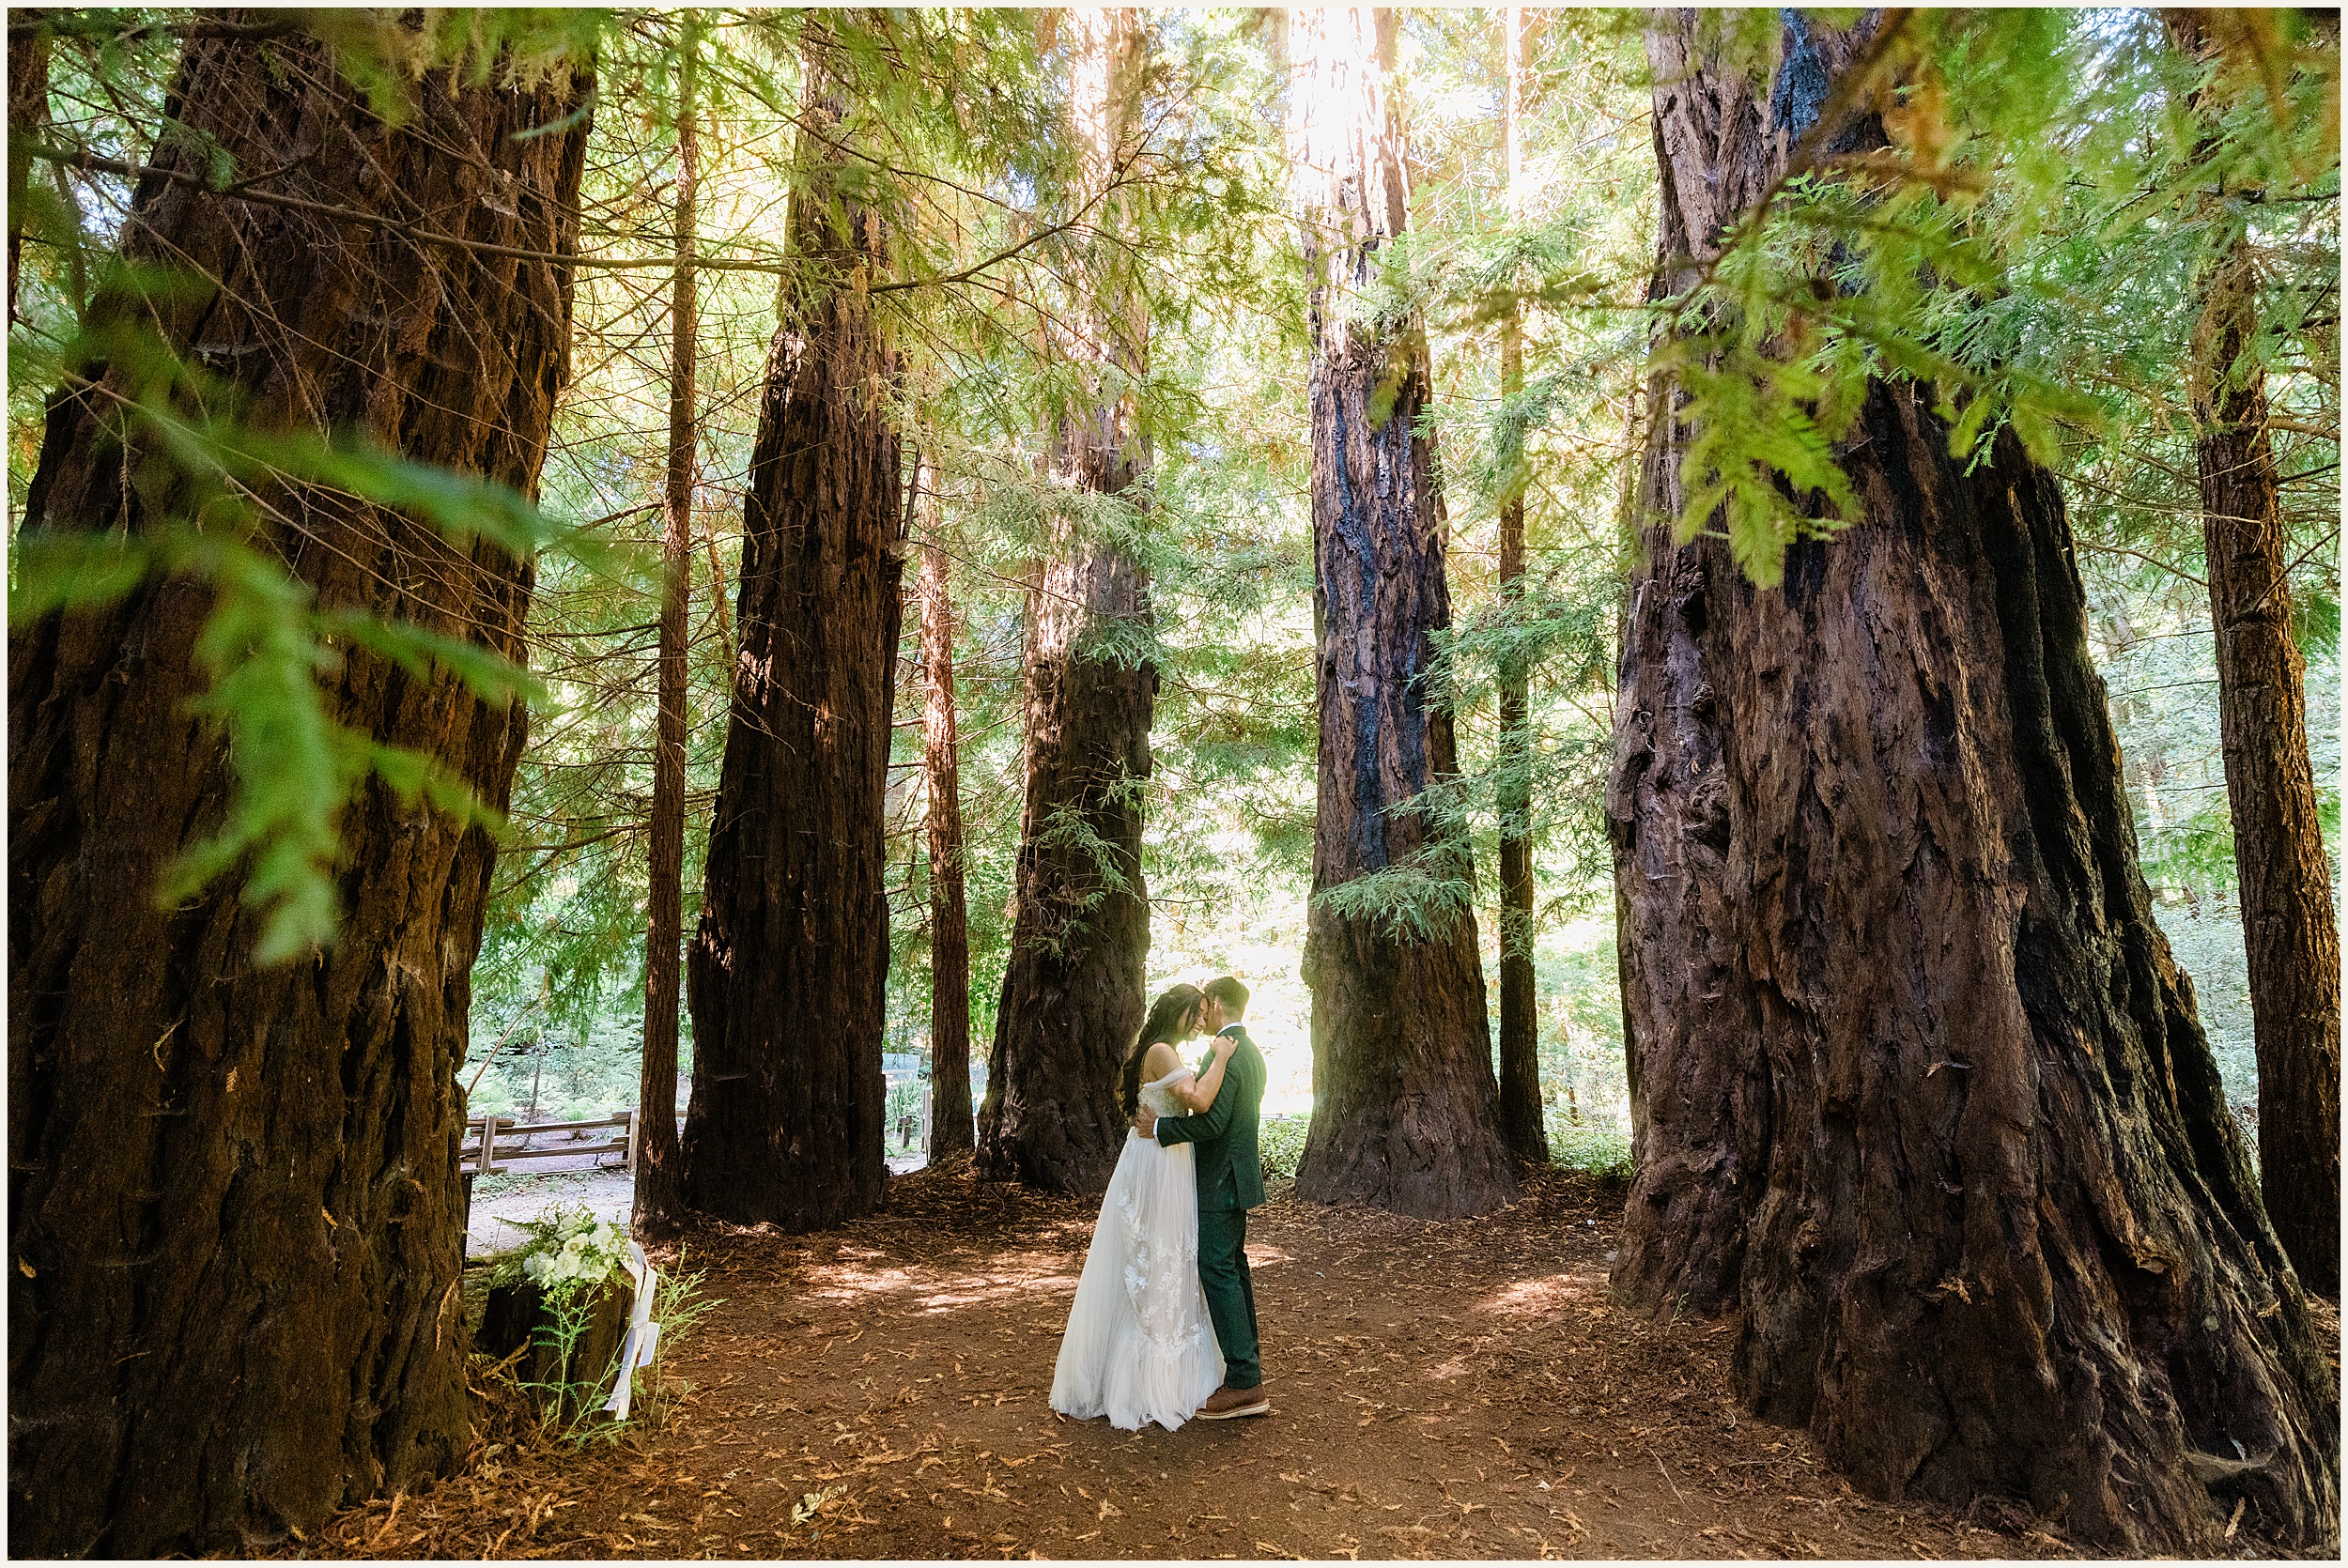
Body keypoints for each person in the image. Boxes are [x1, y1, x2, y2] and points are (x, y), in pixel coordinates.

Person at [1047, 984, 1243, 1431]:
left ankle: (1167, 1366)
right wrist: (1223, 1058)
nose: (1200, 1020)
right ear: (1179, 1012)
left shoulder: (1165, 1050)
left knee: (1172, 1255)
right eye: (1195, 1013)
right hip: (1157, 1165)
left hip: (1167, 1157)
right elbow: (1200, 1100)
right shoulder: (1161, 1051)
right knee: (1155, 1256)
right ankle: (1144, 1381)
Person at [1135, 975, 1268, 1420]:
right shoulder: (1249, 1051)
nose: (1202, 1016)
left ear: (1214, 1004)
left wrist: (1159, 1129)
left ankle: (1244, 1381)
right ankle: (1247, 1371)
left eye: (1205, 1007)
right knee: (1234, 1270)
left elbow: (1211, 1124)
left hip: (1218, 1182)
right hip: (1235, 1179)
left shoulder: (1224, 1053)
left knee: (1219, 1272)